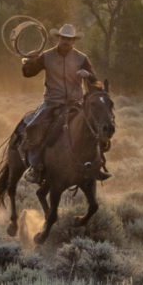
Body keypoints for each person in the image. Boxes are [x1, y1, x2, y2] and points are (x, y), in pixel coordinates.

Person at [20, 24, 106, 183]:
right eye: (64, 38)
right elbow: (28, 73)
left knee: (97, 128)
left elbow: (96, 82)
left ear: (73, 41)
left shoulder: (82, 58)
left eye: (70, 39)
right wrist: (29, 62)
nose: (67, 41)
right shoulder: (46, 56)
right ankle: (35, 166)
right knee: (33, 127)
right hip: (52, 103)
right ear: (59, 38)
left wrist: (88, 75)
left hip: (76, 103)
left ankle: (97, 165)